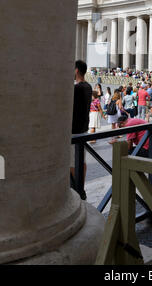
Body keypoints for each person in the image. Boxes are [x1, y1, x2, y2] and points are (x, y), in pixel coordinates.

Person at [71, 60, 92, 200]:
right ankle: (81, 188)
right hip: (84, 128)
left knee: (71, 163)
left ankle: (75, 189)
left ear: (76, 70)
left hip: (74, 130)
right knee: (81, 161)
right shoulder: (89, 87)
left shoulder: (76, 88)